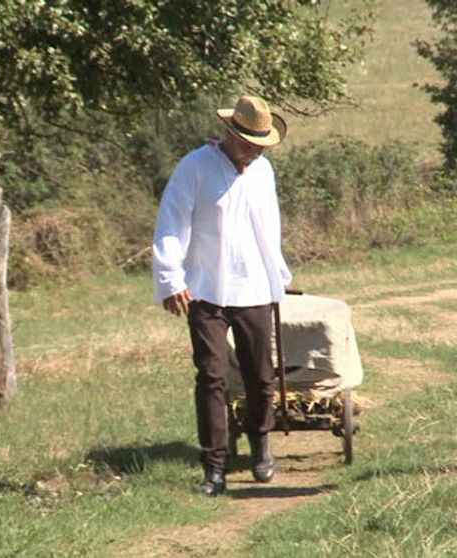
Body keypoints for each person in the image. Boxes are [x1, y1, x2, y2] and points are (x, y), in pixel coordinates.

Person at [152, 95, 292, 496]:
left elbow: (270, 228)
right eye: (248, 141)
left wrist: (276, 275)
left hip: (253, 288)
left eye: (260, 144)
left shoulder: (263, 172)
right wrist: (170, 278)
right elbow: (171, 222)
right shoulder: (194, 167)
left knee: (260, 376)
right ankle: (214, 468)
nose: (254, 150)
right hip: (205, 288)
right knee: (211, 377)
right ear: (229, 133)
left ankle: (260, 448)